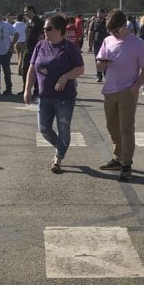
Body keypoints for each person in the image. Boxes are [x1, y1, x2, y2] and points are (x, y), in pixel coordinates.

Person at [95, 8, 144, 182]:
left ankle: (126, 164)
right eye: (110, 31)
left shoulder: (138, 43)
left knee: (126, 128)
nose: (113, 34)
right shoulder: (107, 41)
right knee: (112, 126)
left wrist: (136, 87)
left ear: (124, 26)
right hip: (109, 90)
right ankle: (117, 158)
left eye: (115, 30)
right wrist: (102, 65)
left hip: (128, 90)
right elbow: (99, 65)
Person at [23, 14, 85, 174]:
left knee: (63, 128)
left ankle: (58, 159)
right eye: (44, 28)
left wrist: (65, 76)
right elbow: (32, 68)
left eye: (49, 28)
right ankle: (61, 146)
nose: (45, 31)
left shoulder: (69, 47)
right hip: (44, 96)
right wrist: (27, 88)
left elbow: (80, 69)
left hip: (64, 98)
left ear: (59, 30)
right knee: (43, 129)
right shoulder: (40, 46)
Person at [21, 5, 44, 79]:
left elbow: (42, 37)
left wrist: (39, 50)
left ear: (31, 11)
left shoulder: (39, 22)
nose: (25, 13)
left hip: (36, 50)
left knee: (37, 71)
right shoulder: (28, 22)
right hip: (27, 50)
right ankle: (25, 89)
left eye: (26, 11)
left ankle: (37, 90)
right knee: (25, 69)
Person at [89, 10, 109, 80]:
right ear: (97, 14)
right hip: (97, 44)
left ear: (104, 14)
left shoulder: (107, 22)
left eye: (102, 13)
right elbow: (90, 34)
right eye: (99, 13)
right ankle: (99, 75)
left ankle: (106, 74)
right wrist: (90, 45)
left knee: (106, 60)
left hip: (107, 45)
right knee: (98, 60)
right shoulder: (93, 23)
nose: (100, 15)